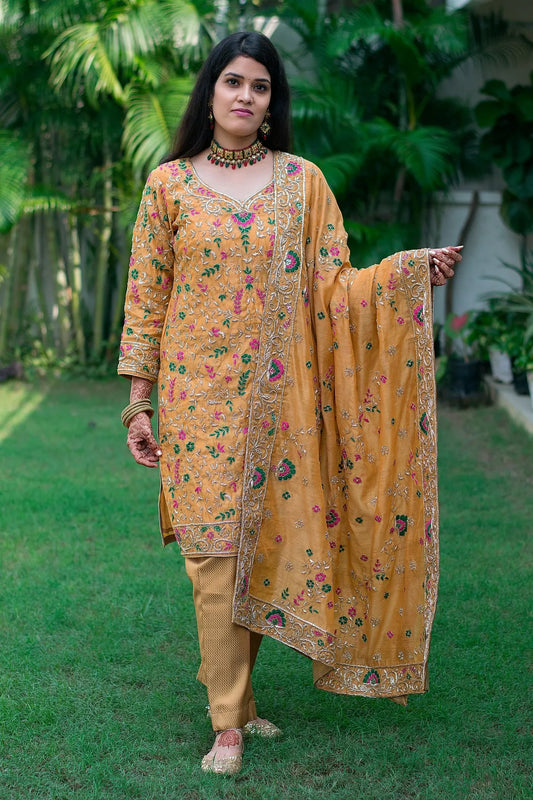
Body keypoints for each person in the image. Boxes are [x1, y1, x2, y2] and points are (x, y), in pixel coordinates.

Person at [118, 30, 461, 776]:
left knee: (264, 550)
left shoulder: (302, 183)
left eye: (261, 86)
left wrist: (405, 275)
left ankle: (239, 703)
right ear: (209, 92)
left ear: (273, 103)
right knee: (214, 560)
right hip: (195, 401)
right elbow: (147, 295)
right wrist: (138, 404)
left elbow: (335, 287)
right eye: (233, 81)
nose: (245, 95)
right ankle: (227, 726)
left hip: (283, 400)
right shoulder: (168, 185)